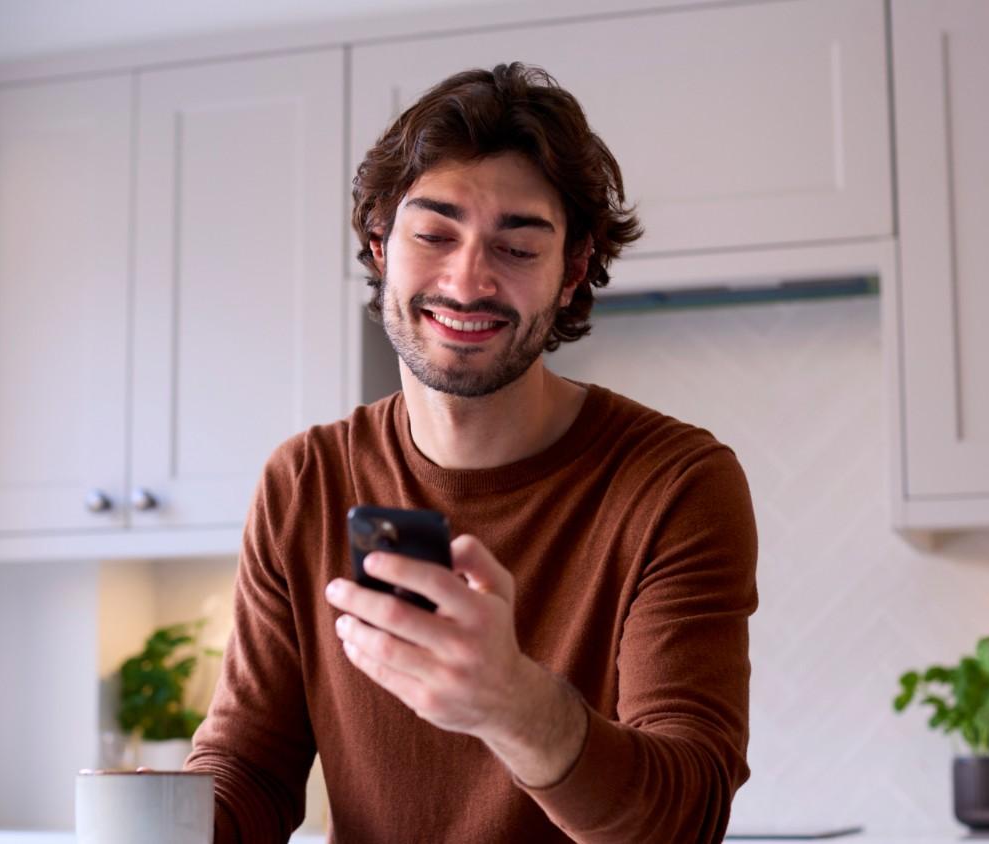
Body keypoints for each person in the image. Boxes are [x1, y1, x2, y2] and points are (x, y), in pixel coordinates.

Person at [184, 62, 758, 843]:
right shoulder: (306, 481)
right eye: (434, 234)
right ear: (382, 244)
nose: (467, 280)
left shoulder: (674, 484)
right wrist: (158, 825)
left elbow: (686, 817)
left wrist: (514, 705)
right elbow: (250, 767)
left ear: (573, 272)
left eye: (518, 248)